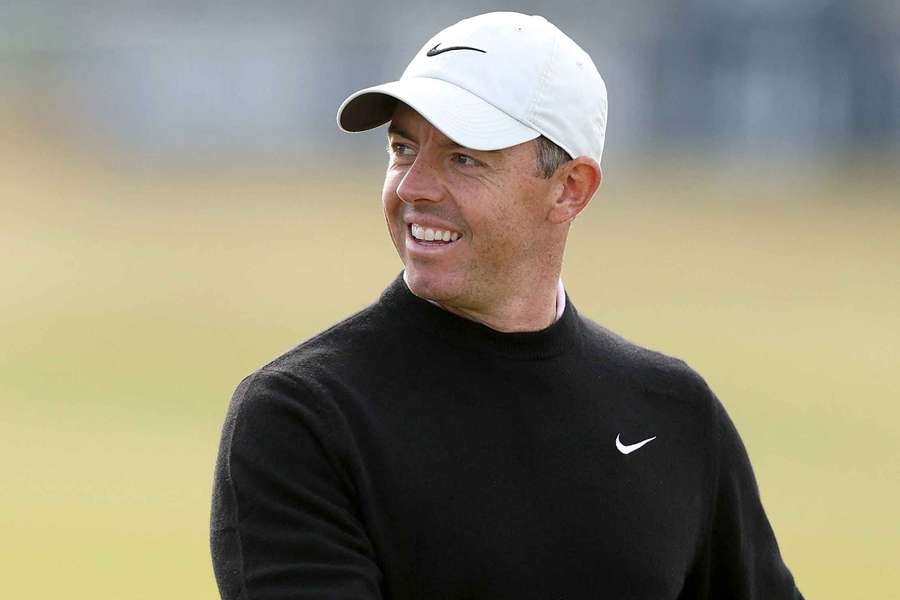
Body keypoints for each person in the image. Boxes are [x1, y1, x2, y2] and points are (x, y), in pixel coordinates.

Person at [210, 11, 803, 600]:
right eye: (402, 148)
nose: (414, 186)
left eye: (463, 157)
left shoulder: (672, 413)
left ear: (570, 187)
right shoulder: (305, 417)